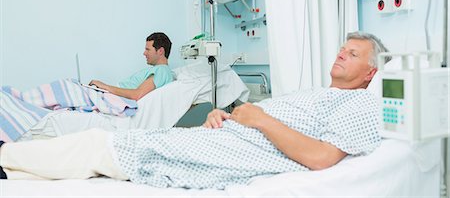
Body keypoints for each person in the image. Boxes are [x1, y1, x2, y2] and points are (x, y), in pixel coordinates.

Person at [0, 31, 390, 189]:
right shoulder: (319, 94)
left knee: (97, 146)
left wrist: (258, 117)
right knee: (98, 145)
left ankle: (5, 159)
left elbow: (322, 157)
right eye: (342, 47)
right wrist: (224, 116)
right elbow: (260, 123)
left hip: (227, 153)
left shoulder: (358, 103)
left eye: (352, 53)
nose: (341, 53)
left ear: (371, 72)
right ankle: (10, 167)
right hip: (222, 135)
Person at [89, 32, 174, 100]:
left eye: (148, 49)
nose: (144, 53)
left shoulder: (162, 70)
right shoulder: (159, 70)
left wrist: (105, 87)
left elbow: (137, 95)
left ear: (160, 51)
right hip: (110, 96)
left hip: (114, 98)